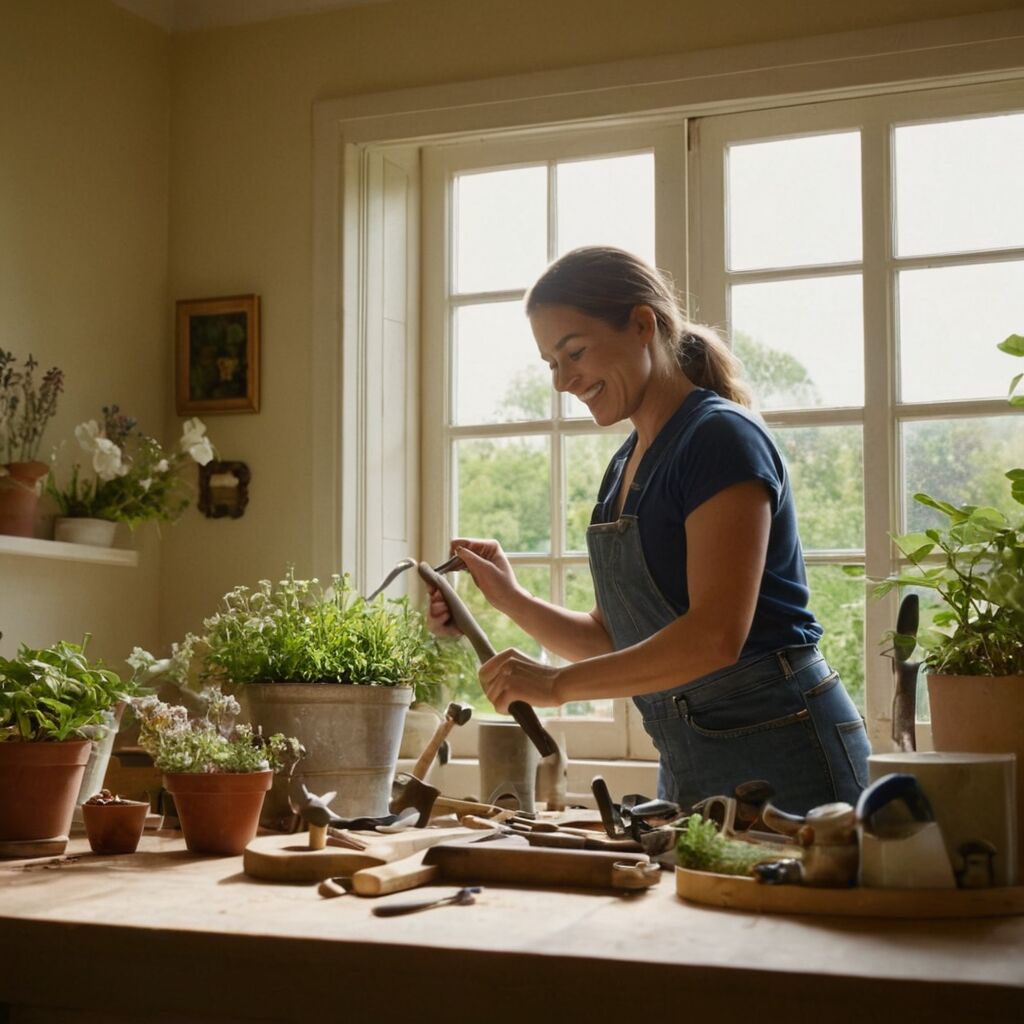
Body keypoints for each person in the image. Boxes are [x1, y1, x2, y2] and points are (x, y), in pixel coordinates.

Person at [428, 246, 870, 814]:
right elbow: (615, 639)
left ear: (643, 324)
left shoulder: (720, 439)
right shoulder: (625, 465)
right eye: (551, 364)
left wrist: (556, 686)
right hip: (689, 764)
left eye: (574, 352)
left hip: (787, 751)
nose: (564, 380)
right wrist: (508, 598)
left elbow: (715, 636)